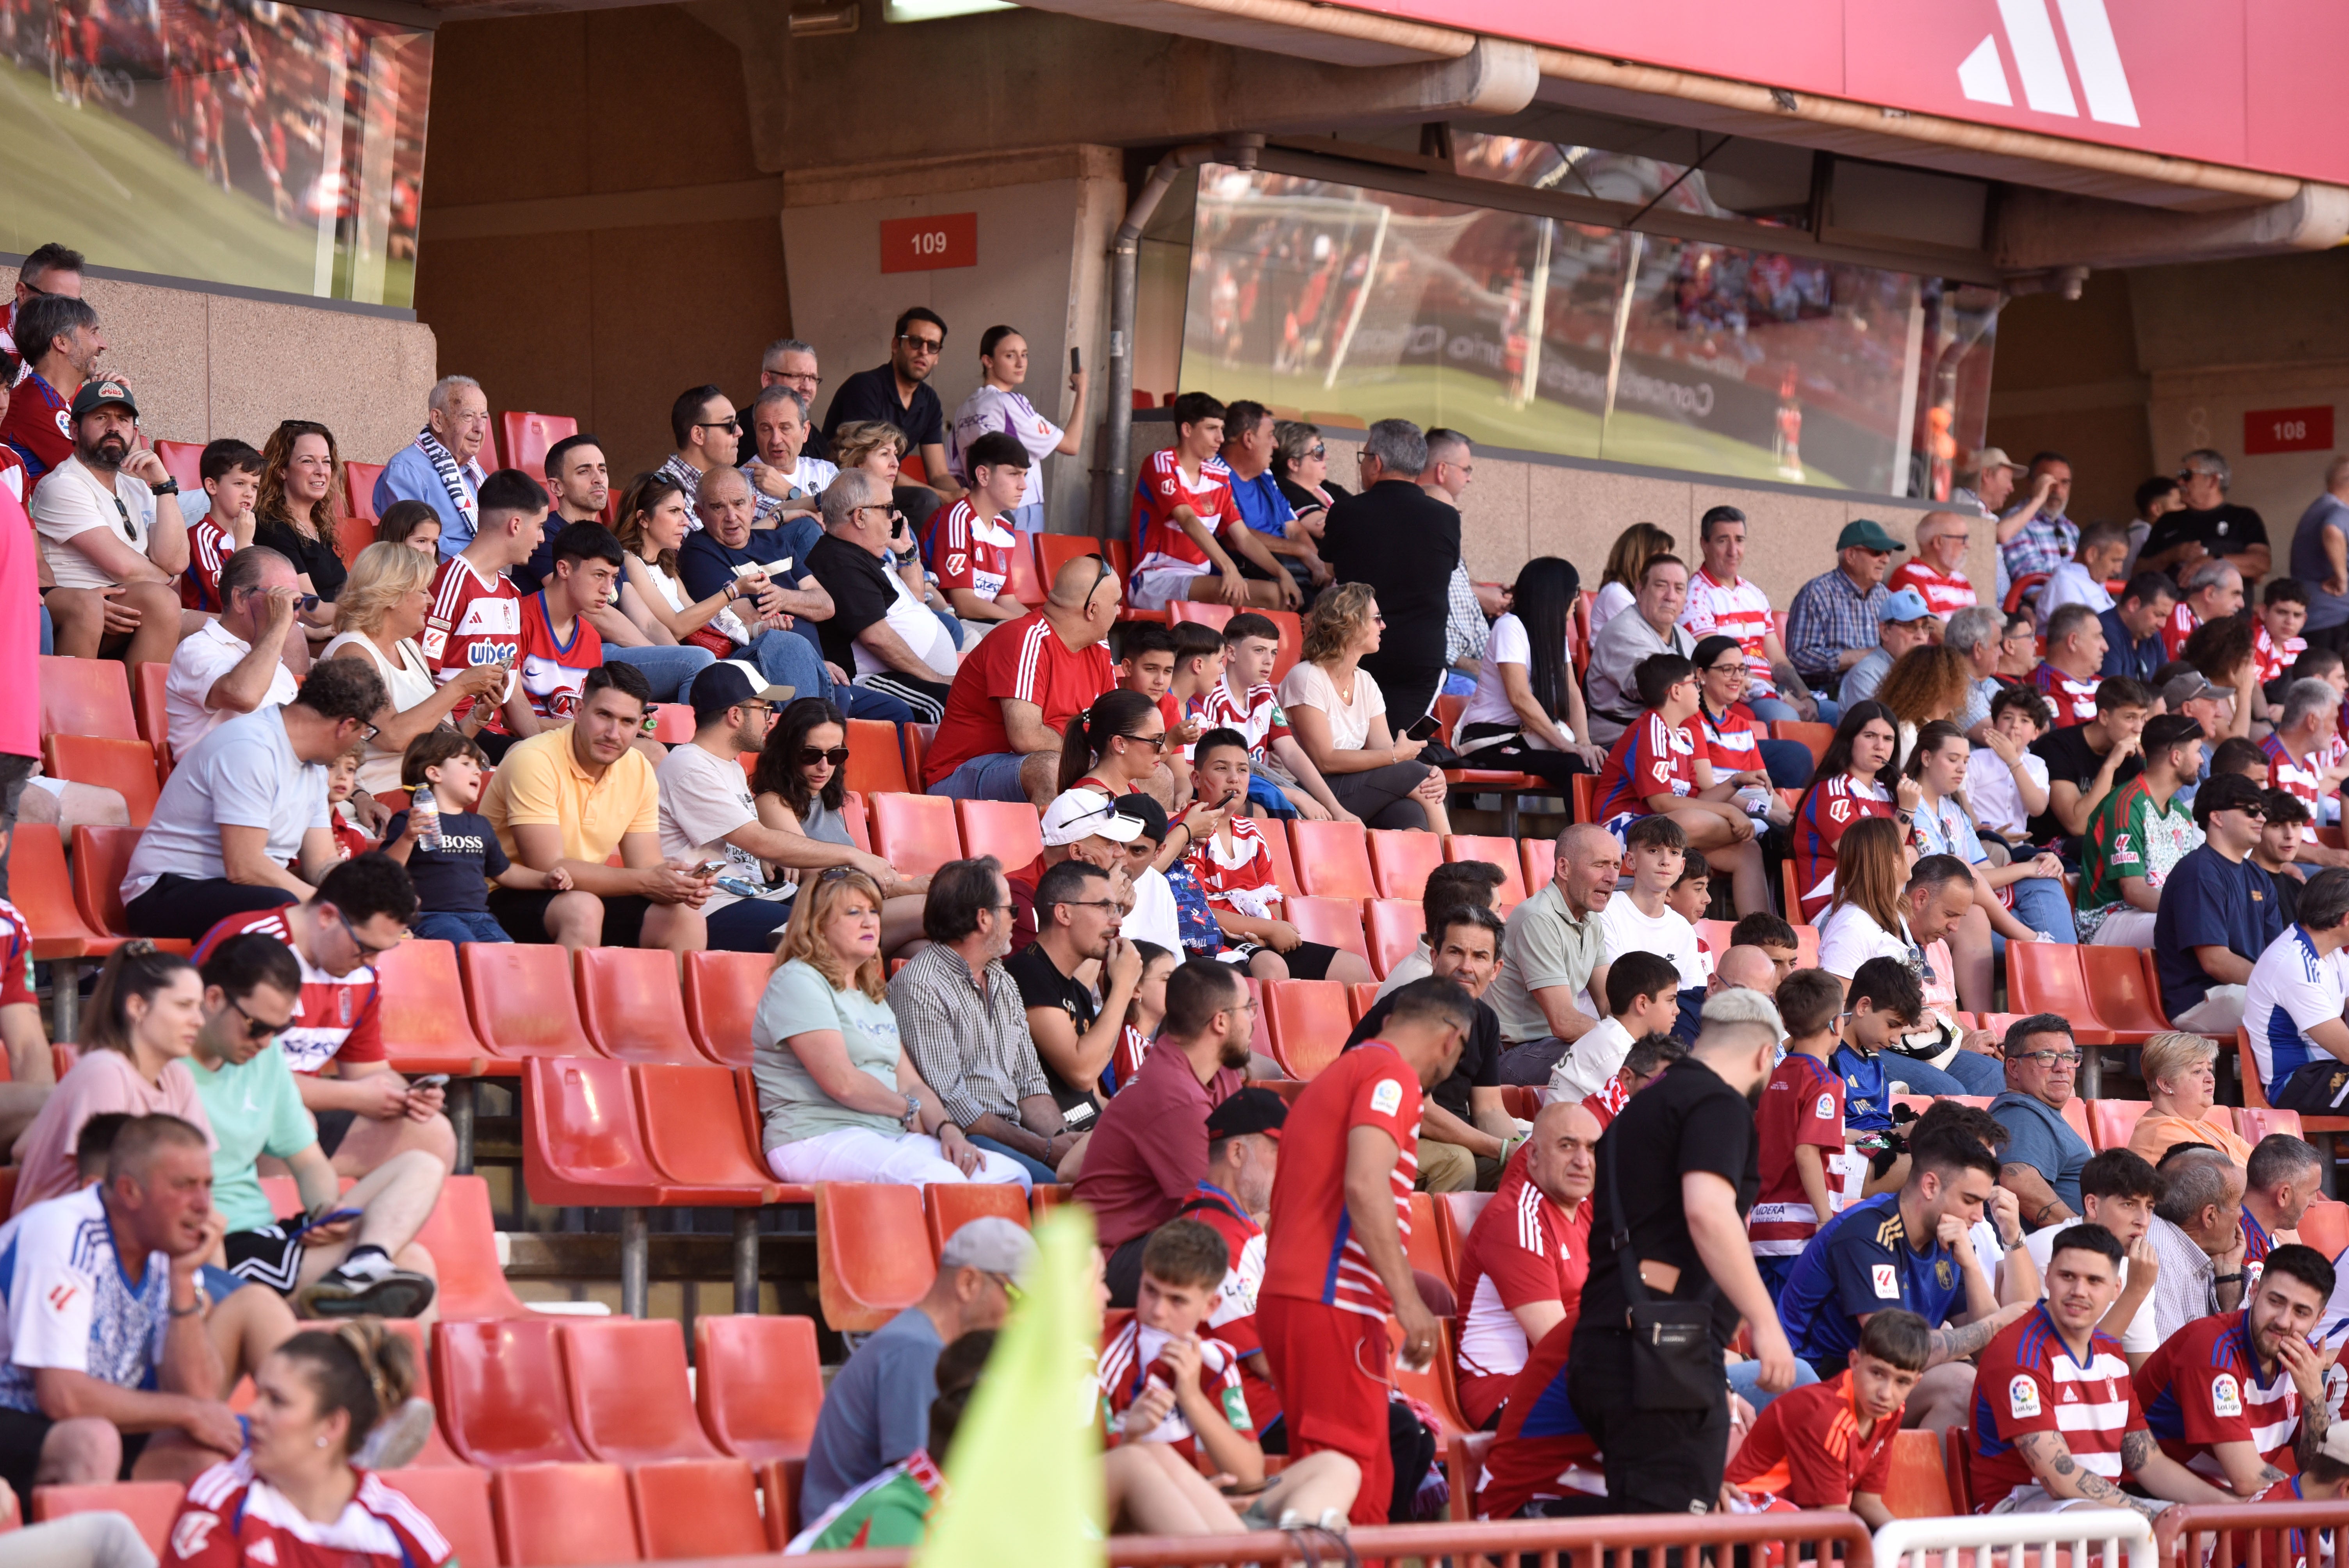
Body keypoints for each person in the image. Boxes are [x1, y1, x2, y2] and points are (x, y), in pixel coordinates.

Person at [1567, 989, 1795, 1516]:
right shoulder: (1717, 1104)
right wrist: (1765, 1322)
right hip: (1663, 1360)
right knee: (1669, 1544)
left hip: (1615, 1341)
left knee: (1649, 1533)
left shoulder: (1644, 1105)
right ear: (1765, 1055)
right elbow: (1709, 1212)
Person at [0, 1114, 301, 1509]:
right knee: (94, 1440)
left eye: (207, 1185)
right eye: (183, 1185)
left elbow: (197, 1391)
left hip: (91, 1416)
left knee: (208, 1461)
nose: (202, 1204)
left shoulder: (162, 1242)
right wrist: (190, 1412)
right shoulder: (63, 1232)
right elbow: (63, 1396)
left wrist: (182, 1279)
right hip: (17, 1411)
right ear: (129, 1190)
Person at [1258, 976, 1473, 1527]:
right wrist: (1406, 1300)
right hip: (1332, 1302)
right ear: (1451, 1041)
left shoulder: (1340, 1075)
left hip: (1300, 1298)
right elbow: (1366, 1184)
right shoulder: (1391, 1075)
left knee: (1334, 1475)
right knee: (1357, 1484)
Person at [184, 935, 438, 1318]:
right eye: (256, 1026)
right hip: (222, 1246)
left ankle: (367, 1259)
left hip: (267, 1233)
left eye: (280, 1028)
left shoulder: (264, 1056)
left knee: (423, 1163)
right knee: (414, 1264)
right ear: (214, 998)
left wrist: (324, 1209)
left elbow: (309, 1162)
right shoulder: (166, 1065)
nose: (266, 1041)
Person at [752, 865, 1026, 1188]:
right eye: (854, 913)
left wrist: (947, 1130)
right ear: (818, 926)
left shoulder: (870, 992)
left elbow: (912, 1084)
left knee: (1008, 1176)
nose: (870, 922)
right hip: (813, 1136)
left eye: (873, 911)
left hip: (884, 1134)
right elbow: (843, 1083)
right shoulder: (799, 980)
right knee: (942, 1180)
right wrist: (908, 1110)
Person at [189, 855, 451, 1181]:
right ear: (327, 916)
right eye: (365, 948)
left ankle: (362, 1231)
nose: (371, 962)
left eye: (384, 950)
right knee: (291, 1124)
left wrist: (408, 1098)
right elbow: (209, 1065)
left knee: (431, 1136)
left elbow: (367, 1071)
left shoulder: (363, 974)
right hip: (212, 1115)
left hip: (303, 1118)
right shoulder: (249, 942)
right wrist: (353, 1097)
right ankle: (267, 1228)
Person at [1101, 1221, 1362, 1534]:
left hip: (1204, 1506)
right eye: (1150, 1291)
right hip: (1136, 1520)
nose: (1158, 1311)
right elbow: (1101, 1476)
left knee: (1337, 1467)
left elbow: (1249, 1475)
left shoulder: (1214, 1359)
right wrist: (1133, 1436)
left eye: (1177, 1300)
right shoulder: (1107, 1350)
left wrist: (1192, 1398)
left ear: (1210, 1307)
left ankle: (1297, 1548)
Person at [1969, 1223, 2237, 1516]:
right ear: (2048, 1276)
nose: (2079, 1291)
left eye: (2094, 1281)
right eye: (2067, 1276)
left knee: (2213, 1530)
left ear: (2115, 1289)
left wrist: (2230, 1508)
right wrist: (2155, 1516)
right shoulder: (2019, 1352)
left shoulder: (2111, 1354)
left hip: (2101, 1515)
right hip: (2020, 1512)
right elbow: (2059, 1478)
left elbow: (2148, 1462)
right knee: (2161, 1530)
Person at [1776, 1122, 2026, 1427]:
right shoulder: (1867, 1234)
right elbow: (1897, 1349)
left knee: (2002, 1384)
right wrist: (2001, 1320)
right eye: (1970, 1201)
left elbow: (1991, 1355)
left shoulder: (1950, 1240)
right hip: (1814, 1387)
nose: (1978, 1216)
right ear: (1931, 1186)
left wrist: (1972, 1267)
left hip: (1881, 1386)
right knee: (1961, 1385)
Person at [120, 661, 386, 939]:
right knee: (290, 912)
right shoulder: (251, 748)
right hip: (165, 894)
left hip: (241, 893)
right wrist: (334, 908)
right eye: (366, 733)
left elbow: (322, 862)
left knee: (335, 918)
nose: (362, 740)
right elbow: (244, 868)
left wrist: (364, 900)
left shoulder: (316, 769)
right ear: (348, 726)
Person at [798, 1216, 1034, 1518]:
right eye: (1020, 1301)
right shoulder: (915, 1350)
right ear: (968, 1283)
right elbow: (921, 1490)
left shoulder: (924, 1345)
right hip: (859, 1546)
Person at [165, 1324, 450, 1568]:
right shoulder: (218, 1500)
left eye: (277, 1401)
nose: (252, 1412)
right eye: (257, 1394)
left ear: (332, 1425)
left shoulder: (397, 1524)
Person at [479, 662, 715, 953]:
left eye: (627, 722)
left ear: (640, 726)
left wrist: (678, 884)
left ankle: (669, 1001)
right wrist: (647, 880)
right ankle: (568, 1000)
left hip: (581, 893)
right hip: (504, 893)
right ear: (579, 712)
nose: (613, 733)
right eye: (604, 715)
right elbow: (547, 866)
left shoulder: (638, 768)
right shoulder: (534, 759)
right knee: (582, 908)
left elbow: (646, 865)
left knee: (683, 918)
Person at [889, 858, 1078, 1189]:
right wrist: (1046, 1150)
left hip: (1014, 1137)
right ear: (984, 919)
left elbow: (1030, 1082)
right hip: (961, 1139)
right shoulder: (920, 985)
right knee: (1064, 1194)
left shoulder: (1001, 979)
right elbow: (953, 1104)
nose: (1015, 922)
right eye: (1012, 911)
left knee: (1096, 1179)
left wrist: (1063, 1141)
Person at [1078, 959, 1251, 1302]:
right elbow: (1221, 1203)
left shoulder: (1219, 1072)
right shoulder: (1173, 1096)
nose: (1254, 1020)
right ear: (1221, 1022)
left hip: (1166, 1235)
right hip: (1113, 1258)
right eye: (1249, 1008)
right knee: (1235, 1263)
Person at [8, 946, 212, 1214]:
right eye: (184, 1006)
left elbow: (198, 1175)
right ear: (137, 1007)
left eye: (199, 1007)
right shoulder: (105, 1073)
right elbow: (110, 1200)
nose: (199, 1021)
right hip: (63, 1240)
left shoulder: (179, 1077)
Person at [2133, 1244, 2335, 1497]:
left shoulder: (2301, 1360)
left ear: (2318, 1319)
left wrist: (2314, 1396)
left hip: (2229, 1504)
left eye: (2301, 1312)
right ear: (2254, 1291)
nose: (2283, 1321)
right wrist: (2320, 1496)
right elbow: (2249, 1478)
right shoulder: (2212, 1348)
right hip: (2153, 1501)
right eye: (2275, 1301)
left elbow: (2311, 1466)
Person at [673, 466, 868, 716]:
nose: (732, 516)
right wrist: (811, 662)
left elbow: (826, 606)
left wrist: (784, 597)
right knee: (834, 693)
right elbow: (751, 624)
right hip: (763, 664)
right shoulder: (700, 552)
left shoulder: (775, 542)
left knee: (896, 712)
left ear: (753, 505)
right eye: (718, 507)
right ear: (700, 513)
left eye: (739, 503)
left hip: (816, 665)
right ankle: (808, 748)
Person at [924, 555, 1119, 804]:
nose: (1120, 611)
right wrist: (1097, 759)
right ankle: (1053, 845)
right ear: (1092, 610)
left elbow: (1117, 725)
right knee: (1052, 769)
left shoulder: (1098, 647)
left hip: (1042, 763)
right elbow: (1027, 738)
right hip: (961, 773)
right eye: (1116, 603)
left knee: (1155, 775)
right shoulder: (1024, 638)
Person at [1342, 905, 1511, 1193]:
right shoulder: (1414, 1008)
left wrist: (1519, 1149)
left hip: (1451, 1140)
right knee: (1458, 1163)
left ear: (1495, 970)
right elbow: (1422, 1111)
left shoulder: (1487, 1020)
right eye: (1456, 952)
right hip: (1377, 1135)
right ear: (1435, 957)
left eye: (1480, 956)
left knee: (1533, 1167)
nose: (1466, 967)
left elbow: (1490, 1109)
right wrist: (1500, 1149)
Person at [1451, 1100, 1598, 1429]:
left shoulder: (1587, 1211)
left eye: (1591, 1149)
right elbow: (1557, 1344)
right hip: (1509, 1393)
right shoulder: (1519, 1219)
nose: (1582, 1161)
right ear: (1532, 1156)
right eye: (1567, 1146)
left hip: (1573, 1379)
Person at [1817, 839, 2006, 1093]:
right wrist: (1904, 1024)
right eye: (1950, 915)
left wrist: (1973, 1040)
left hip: (1930, 1043)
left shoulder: (1936, 944)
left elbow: (1953, 1019)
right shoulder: (1856, 925)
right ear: (1920, 898)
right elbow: (1837, 1011)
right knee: (1951, 1094)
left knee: (1996, 1074)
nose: (1955, 928)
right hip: (1878, 1044)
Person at [1182, 730, 1369, 985]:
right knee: (1272, 967)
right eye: (1222, 769)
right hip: (1213, 940)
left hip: (1258, 937)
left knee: (1352, 968)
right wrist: (1269, 930)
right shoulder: (1187, 832)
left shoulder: (1253, 833)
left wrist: (1271, 930)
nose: (1234, 779)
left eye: (1243, 770)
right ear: (1196, 779)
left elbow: (1270, 901)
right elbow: (1196, 911)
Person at [320, 543, 504, 798]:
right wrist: (460, 687)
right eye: (422, 591)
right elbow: (393, 738)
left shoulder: (410, 648)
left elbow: (433, 738)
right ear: (392, 596)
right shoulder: (352, 653)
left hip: (433, 783)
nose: (431, 600)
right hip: (387, 792)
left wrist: (479, 715)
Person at [1589, 654, 1765, 915]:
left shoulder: (1683, 735)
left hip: (1665, 830)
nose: (1699, 689)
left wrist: (1735, 782)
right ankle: (1762, 827)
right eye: (1695, 683)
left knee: (1748, 850)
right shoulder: (1651, 728)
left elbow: (1698, 799)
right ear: (1675, 692)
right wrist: (1731, 812)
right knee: (1689, 822)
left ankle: (1760, 938)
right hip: (1623, 830)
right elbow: (1661, 801)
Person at [32, 377, 190, 666]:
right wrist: (168, 579)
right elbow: (125, 568)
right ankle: (135, 710)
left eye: (124, 419)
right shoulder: (64, 484)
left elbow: (177, 560)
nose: (114, 427)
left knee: (246, 631)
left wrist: (164, 486)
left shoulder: (141, 486)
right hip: (81, 612)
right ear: (74, 429)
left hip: (133, 607)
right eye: (101, 417)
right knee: (163, 602)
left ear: (135, 431)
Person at [1722, 1310, 1930, 1526]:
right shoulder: (1828, 1417)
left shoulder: (1892, 1412)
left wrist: (1912, 1545)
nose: (1886, 1393)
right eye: (1878, 1374)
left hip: (1800, 1516)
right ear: (1855, 1362)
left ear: (1915, 1383)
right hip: (1746, 1508)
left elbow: (1867, 1501)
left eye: (1902, 1382)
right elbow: (1833, 1519)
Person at [750, 698, 929, 948]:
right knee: (935, 909)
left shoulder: (829, 800)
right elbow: (816, 873)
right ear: (786, 751)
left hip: (861, 908)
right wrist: (903, 889)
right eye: (811, 754)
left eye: (835, 754)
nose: (824, 766)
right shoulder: (772, 802)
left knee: (924, 950)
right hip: (823, 918)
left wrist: (903, 884)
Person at [653, 663, 808, 951]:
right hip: (710, 906)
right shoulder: (689, 765)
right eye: (765, 709)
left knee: (852, 913)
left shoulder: (731, 767)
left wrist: (762, 854)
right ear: (736, 715)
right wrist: (855, 857)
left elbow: (749, 841)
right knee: (828, 934)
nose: (770, 720)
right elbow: (759, 840)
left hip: (751, 894)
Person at [1316, 418, 1456, 725]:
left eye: (1364, 456)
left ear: (1376, 463)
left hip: (1356, 649)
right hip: (1421, 657)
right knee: (1397, 750)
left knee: (1351, 748)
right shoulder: (1447, 517)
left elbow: (1329, 567)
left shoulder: (1346, 511)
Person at [1277, 583, 1449, 832]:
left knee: (1410, 812)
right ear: (1351, 623)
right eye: (1377, 618)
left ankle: (1426, 870)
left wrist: (1432, 772)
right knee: (1414, 774)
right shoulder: (1307, 677)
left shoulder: (1366, 682)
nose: (1383, 625)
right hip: (1307, 791)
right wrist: (1400, 758)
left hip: (1348, 788)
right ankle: (1458, 868)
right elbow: (1325, 761)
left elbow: (1384, 752)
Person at [1003, 859, 1143, 1156]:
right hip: (1052, 1144)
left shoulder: (1075, 990)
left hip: (1088, 1135)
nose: (1117, 921)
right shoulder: (1027, 972)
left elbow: (1090, 1095)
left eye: (1116, 909)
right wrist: (1122, 988)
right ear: (1064, 913)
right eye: (1105, 907)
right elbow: (1080, 1071)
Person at [380, 731, 570, 945]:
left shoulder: (480, 825)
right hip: (433, 918)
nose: (478, 772)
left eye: (478, 765)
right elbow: (386, 870)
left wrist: (544, 880)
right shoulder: (410, 821)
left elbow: (505, 872)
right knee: (471, 956)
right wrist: (407, 839)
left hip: (482, 919)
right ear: (435, 773)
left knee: (509, 957)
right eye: (467, 764)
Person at [1907, 719, 2076, 957]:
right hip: (1936, 913)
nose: (1962, 769)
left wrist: (2036, 869)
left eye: (1966, 761)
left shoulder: (1954, 811)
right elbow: (1953, 878)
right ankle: (2059, 956)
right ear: (1926, 759)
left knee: (2045, 881)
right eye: (1953, 759)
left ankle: (2055, 955)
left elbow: (1983, 875)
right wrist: (2029, 868)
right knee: (1972, 882)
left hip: (1970, 905)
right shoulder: (1909, 803)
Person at [416, 468, 548, 754]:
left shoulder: (512, 593)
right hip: (452, 736)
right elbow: (420, 679)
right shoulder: (448, 583)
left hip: (496, 736)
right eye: (539, 526)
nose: (541, 539)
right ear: (515, 525)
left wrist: (541, 751)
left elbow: (513, 693)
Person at [2000, 1148, 2163, 1374]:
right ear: (2093, 1206)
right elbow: (2069, 1364)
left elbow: (2144, 1368)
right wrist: (2135, 1291)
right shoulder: (2053, 1251)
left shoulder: (2132, 1265)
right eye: (2129, 1204)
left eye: (2149, 1208)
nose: (2143, 1221)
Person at [1750, 968, 1856, 1298]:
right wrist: (1826, 1220)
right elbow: (1806, 1150)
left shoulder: (1770, 1076)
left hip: (1762, 1228)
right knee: (1796, 1332)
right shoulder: (1826, 1083)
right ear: (1837, 1024)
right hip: (1801, 1232)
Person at [2155, 772, 2287, 1036]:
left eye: (2263, 811)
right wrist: (2281, 985)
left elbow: (2277, 954)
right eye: (2251, 811)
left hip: (2245, 990)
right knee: (2295, 1010)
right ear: (2217, 817)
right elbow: (2216, 962)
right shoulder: (2198, 871)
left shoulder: (2259, 876)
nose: (2261, 818)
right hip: (2200, 1000)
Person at [1456, 556, 1604, 786]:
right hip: (1489, 740)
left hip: (1527, 738)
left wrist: (1584, 742)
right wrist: (1568, 746)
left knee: (1598, 762)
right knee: (1576, 766)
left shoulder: (1555, 635)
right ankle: (1581, 824)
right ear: (1555, 595)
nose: (1577, 599)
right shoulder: (1510, 627)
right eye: (1573, 592)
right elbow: (1520, 698)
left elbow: (1572, 691)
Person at [1489, 824, 1617, 1086]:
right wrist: (1625, 1041)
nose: (1612, 877)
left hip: (1551, 1046)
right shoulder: (1538, 918)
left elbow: (1608, 1005)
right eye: (1600, 865)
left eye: (1616, 865)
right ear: (1564, 868)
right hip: (1512, 1054)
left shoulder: (1591, 918)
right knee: (1611, 1060)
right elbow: (1564, 1023)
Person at [2076, 712, 2206, 946]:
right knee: (2190, 927)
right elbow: (2134, 891)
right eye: (2197, 752)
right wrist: (2193, 911)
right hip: (2106, 920)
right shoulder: (2126, 805)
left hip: (2154, 915)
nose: (2202, 761)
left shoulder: (2182, 814)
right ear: (2176, 757)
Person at [164, 547, 303, 763]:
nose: (293, 613)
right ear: (239, 599)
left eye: (296, 603)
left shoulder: (279, 668)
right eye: (280, 600)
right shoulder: (197, 648)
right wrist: (278, 626)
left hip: (277, 785)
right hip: (220, 787)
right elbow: (244, 696)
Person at [822, 308, 962, 513]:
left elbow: (939, 474)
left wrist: (963, 499)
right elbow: (867, 467)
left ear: (937, 356)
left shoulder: (929, 400)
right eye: (915, 341)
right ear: (896, 345)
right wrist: (944, 496)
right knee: (924, 500)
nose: (924, 351)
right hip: (845, 490)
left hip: (884, 486)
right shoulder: (864, 387)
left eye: (932, 346)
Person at [948, 325, 1085, 532]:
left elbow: (954, 470)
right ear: (988, 361)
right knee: (1021, 565)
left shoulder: (963, 410)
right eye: (1010, 356)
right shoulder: (1009, 402)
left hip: (978, 511)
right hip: (1020, 506)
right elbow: (1071, 445)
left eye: (1025, 355)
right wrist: (1082, 392)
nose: (1021, 363)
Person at [1790, 700, 1909, 922]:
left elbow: (1914, 855)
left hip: (1885, 902)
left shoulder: (1893, 794)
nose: (1880, 746)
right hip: (1836, 908)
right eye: (1870, 736)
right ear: (1849, 739)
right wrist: (1907, 812)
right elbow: (1869, 860)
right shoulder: (1833, 791)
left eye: (1888, 739)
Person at [2241, 868, 2349, 1112]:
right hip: (2296, 1083)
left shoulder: (2331, 952)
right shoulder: (2294, 965)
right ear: (2347, 919)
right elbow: (2347, 1050)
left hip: (2326, 1071)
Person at [1989, 1015, 2095, 1229]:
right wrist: (2088, 1240)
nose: (2061, 1067)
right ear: (2013, 1068)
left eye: (2068, 1056)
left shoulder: (2037, 1112)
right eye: (2046, 1057)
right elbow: (2019, 1184)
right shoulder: (2020, 1114)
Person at [926, 432, 1032, 643]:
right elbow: (965, 604)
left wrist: (1041, 624)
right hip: (948, 620)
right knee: (1018, 636)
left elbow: (1007, 600)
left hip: (983, 620)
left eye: (1025, 476)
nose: (1023, 485)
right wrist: (1027, 624)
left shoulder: (1006, 529)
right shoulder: (957, 518)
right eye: (1014, 474)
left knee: (1037, 636)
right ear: (983, 476)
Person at [1547, 951, 1680, 1118]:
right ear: (1643, 1004)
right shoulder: (1616, 1049)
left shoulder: (1614, 1038)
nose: (1677, 1010)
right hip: (1566, 1139)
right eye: (1670, 1000)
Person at [1584, 552, 1696, 748]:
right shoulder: (1623, 630)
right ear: (1640, 590)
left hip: (1673, 738)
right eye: (1661, 586)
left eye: (1679, 589)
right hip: (1623, 742)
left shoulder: (1684, 637)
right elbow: (1659, 691)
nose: (1671, 597)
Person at [2, 292, 105, 499]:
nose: (102, 344)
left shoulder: (52, 400)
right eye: (93, 333)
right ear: (61, 342)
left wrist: (125, 410)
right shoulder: (36, 405)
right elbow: (104, 482)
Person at [372, 376, 491, 555]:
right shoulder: (405, 470)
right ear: (438, 420)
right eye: (468, 416)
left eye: (484, 417)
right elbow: (414, 549)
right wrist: (481, 562)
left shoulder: (477, 473)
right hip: (439, 577)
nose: (480, 428)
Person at [1786, 520, 1904, 699]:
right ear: (1851, 555)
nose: (1886, 559)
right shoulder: (1817, 593)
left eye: (1888, 553)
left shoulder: (1887, 597)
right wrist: (1864, 657)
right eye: (1877, 552)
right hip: (1832, 693)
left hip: (1884, 690)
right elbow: (1799, 658)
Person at [1219, 402, 1325, 594]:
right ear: (1249, 439)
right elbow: (1234, 538)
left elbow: (1294, 528)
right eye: (1270, 435)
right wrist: (1302, 552)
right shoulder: (1217, 476)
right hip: (1253, 575)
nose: (1275, 444)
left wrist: (1317, 563)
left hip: (1290, 570)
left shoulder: (1266, 476)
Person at [2029, 675, 2151, 841]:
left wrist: (2151, 761)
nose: (2139, 728)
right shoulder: (2058, 748)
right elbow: (2078, 826)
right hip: (2053, 846)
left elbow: (2147, 816)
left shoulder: (2130, 754)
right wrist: (2110, 767)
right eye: (2130, 718)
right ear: (2104, 717)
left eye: (2143, 718)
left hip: (2104, 842)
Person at [251, 421, 353, 616]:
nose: (321, 471)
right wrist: (368, 614)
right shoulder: (272, 528)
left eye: (326, 462)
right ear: (282, 470)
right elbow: (313, 612)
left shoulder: (318, 525)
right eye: (308, 461)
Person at [2150, 1149, 2251, 1340]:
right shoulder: (2162, 1257)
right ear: (2210, 1216)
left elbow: (2236, 1347)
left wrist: (2228, 1274)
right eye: (2238, 1203)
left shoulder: (2202, 1246)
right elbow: (2164, 1364)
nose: (2242, 1214)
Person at [2145, 451, 2270, 583]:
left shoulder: (2244, 518)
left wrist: (2213, 562)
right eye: (2180, 476)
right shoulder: (2167, 521)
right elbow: (2138, 571)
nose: (2180, 482)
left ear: (2213, 481)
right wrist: (2171, 555)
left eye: (2187, 476)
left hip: (2229, 603)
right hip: (2175, 603)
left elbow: (2262, 563)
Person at [2130, 1033, 2254, 1167]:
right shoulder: (2163, 1132)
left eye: (2210, 1069)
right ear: (2166, 1084)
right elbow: (2235, 1181)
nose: (2211, 1079)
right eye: (2197, 1071)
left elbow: (2267, 1171)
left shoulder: (2212, 1129)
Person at [181, 439, 265, 614]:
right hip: (211, 631)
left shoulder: (245, 537)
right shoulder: (201, 536)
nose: (249, 493)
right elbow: (227, 601)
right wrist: (242, 547)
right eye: (240, 483)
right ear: (212, 486)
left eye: (255, 486)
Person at [741, 387, 837, 524]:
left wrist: (789, 491)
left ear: (805, 431)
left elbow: (848, 525)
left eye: (785, 428)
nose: (776, 440)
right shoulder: (741, 483)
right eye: (766, 429)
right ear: (756, 431)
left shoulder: (826, 472)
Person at [2240, 1135, 2324, 1275]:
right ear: (2284, 1195)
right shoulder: (2246, 1246)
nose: (2314, 1203)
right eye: (2311, 1193)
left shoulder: (2256, 1231)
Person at [2290, 455, 2349, 654]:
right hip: (2333, 619)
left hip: (2317, 617)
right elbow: (2333, 531)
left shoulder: (2318, 508)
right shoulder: (2339, 511)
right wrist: (2342, 579)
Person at [1839, 588, 1936, 709]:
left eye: (1925, 627)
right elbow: (1875, 727)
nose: (1921, 636)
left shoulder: (1929, 671)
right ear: (1885, 631)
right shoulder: (1865, 675)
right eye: (1910, 626)